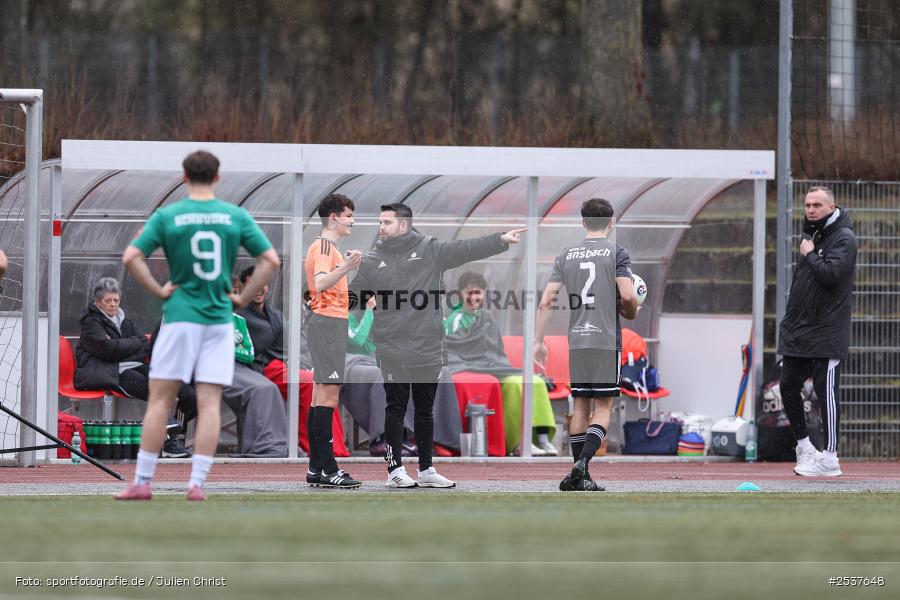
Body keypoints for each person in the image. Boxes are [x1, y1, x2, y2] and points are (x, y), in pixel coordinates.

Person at [116, 150, 279, 501]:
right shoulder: (234, 216)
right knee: (209, 403)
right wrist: (242, 296)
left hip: (179, 319)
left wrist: (160, 291)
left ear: (185, 177)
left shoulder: (169, 215)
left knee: (160, 400)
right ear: (218, 177)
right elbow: (270, 260)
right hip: (218, 320)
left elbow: (131, 257)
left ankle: (143, 482)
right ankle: (196, 485)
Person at [350, 203, 524, 488]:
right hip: (392, 347)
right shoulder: (371, 260)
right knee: (395, 408)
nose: (380, 227)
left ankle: (427, 469)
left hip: (428, 346)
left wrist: (500, 240)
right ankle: (395, 471)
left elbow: (465, 249)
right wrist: (335, 285)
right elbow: (352, 298)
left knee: (425, 409)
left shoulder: (430, 249)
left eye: (386, 222)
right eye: (380, 222)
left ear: (403, 225)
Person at [535, 198, 638, 492]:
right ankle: (582, 465)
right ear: (611, 223)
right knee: (604, 407)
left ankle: (582, 474)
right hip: (606, 341)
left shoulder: (567, 255)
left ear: (582, 223)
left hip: (578, 340)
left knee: (579, 406)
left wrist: (538, 341)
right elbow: (629, 297)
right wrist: (630, 312)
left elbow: (546, 300)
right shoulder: (617, 252)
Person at [777, 186, 857, 477]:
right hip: (800, 330)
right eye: (808, 204)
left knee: (826, 393)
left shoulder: (844, 239)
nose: (810, 209)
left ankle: (830, 456)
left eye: (817, 205)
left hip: (827, 331)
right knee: (787, 385)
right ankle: (804, 446)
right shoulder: (813, 236)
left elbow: (830, 275)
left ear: (831, 207)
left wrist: (810, 255)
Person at [75, 276, 194, 458]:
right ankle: (169, 440)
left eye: (116, 300)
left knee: (186, 391)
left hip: (134, 366)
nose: (113, 304)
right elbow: (107, 351)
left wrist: (120, 345)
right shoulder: (91, 322)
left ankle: (176, 438)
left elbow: (142, 344)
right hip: (108, 373)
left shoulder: (123, 319)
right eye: (108, 301)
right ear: (98, 303)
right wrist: (126, 345)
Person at [444, 270, 557, 456]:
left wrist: (496, 365)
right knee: (513, 384)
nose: (474, 297)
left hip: (494, 367)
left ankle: (542, 440)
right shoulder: (455, 319)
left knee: (534, 381)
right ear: (461, 294)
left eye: (477, 292)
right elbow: (456, 351)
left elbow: (497, 352)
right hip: (473, 369)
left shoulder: (487, 317)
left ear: (484, 293)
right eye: (469, 293)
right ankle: (517, 443)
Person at [344, 295, 461, 456]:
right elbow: (358, 341)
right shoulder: (350, 315)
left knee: (440, 371)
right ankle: (383, 438)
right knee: (386, 374)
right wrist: (370, 310)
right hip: (355, 361)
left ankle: (439, 439)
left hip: (381, 359)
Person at [303, 193, 363, 488]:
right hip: (327, 325)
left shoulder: (328, 247)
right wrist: (347, 268)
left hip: (328, 324)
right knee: (327, 398)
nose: (352, 220)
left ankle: (316, 468)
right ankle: (328, 469)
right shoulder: (325, 246)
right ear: (333, 218)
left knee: (319, 398)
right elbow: (322, 280)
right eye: (348, 215)